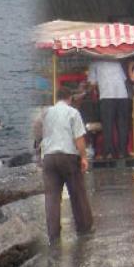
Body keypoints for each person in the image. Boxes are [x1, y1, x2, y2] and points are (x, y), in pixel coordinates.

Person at [41, 86, 94, 244]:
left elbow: (39, 136)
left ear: (56, 98)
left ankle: (53, 234)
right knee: (77, 193)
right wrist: (83, 157)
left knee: (52, 197)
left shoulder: (46, 113)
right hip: (68, 156)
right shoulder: (73, 112)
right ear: (69, 98)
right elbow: (79, 138)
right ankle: (84, 227)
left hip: (49, 157)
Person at [87, 59, 131, 159]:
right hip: (122, 95)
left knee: (108, 126)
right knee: (122, 126)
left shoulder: (94, 63)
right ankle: (122, 152)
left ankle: (109, 153)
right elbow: (123, 79)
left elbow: (92, 83)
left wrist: (87, 90)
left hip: (106, 96)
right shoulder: (116, 62)